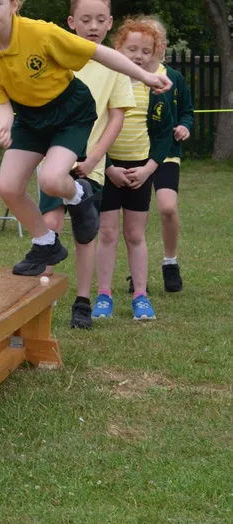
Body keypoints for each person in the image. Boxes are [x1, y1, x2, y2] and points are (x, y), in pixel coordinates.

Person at [0, 0, 172, 280]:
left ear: (14, 4)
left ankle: (78, 195)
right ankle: (45, 242)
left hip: (70, 113)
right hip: (31, 118)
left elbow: (100, 54)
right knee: (7, 186)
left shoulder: (41, 33)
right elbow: (0, 102)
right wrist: (4, 125)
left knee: (51, 179)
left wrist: (145, 76)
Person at [39, 0, 135, 329]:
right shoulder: (58, 57)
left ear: (109, 22)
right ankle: (39, 298)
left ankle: (82, 301)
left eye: (99, 19)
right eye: (85, 19)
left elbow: (117, 117)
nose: (93, 26)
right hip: (54, 161)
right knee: (50, 226)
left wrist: (95, 159)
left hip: (89, 167)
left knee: (85, 232)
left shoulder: (115, 65)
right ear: (71, 22)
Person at [93, 18, 174, 321]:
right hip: (108, 170)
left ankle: (141, 296)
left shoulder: (155, 88)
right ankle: (103, 295)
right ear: (118, 49)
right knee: (107, 232)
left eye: (145, 51)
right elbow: (94, 131)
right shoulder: (108, 83)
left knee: (135, 234)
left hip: (141, 171)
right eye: (132, 49)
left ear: (154, 53)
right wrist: (108, 167)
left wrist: (148, 170)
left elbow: (164, 136)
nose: (138, 56)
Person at [141, 16, 194, 293]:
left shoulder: (174, 78)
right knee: (137, 217)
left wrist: (185, 126)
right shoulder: (125, 76)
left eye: (152, 44)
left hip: (167, 154)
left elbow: (187, 111)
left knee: (167, 208)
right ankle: (137, 271)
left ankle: (170, 263)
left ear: (161, 46)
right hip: (135, 153)